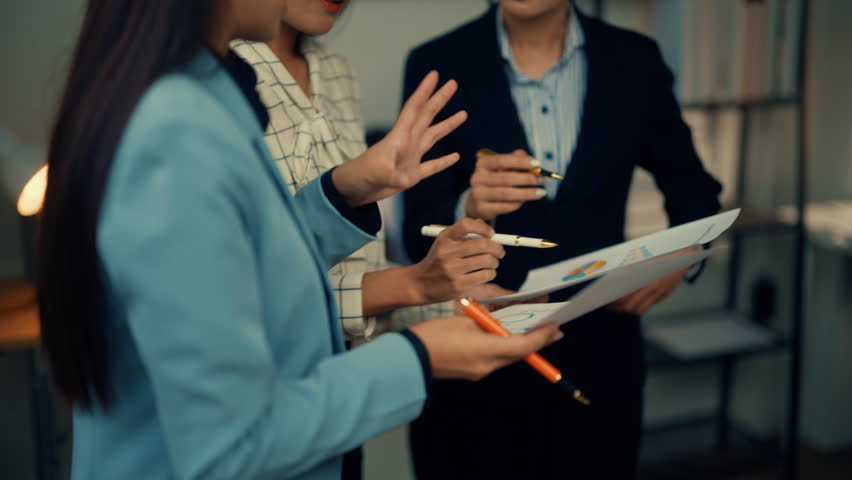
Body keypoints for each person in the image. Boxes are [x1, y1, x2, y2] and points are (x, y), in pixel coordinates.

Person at [36, 1, 564, 479]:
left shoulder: (205, 90)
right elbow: (231, 447)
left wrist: (338, 192)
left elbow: (249, 267)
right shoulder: (176, 131)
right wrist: (419, 358)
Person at [402, 1, 723, 478]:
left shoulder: (634, 59)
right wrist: (468, 207)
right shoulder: (438, 63)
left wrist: (682, 255)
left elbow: (694, 188)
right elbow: (414, 232)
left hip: (600, 370)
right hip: (472, 373)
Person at [230, 2, 510, 476]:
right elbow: (251, 295)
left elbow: (347, 272)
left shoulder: (338, 74)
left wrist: (456, 303)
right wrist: (418, 296)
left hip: (339, 410)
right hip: (263, 414)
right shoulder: (212, 86)